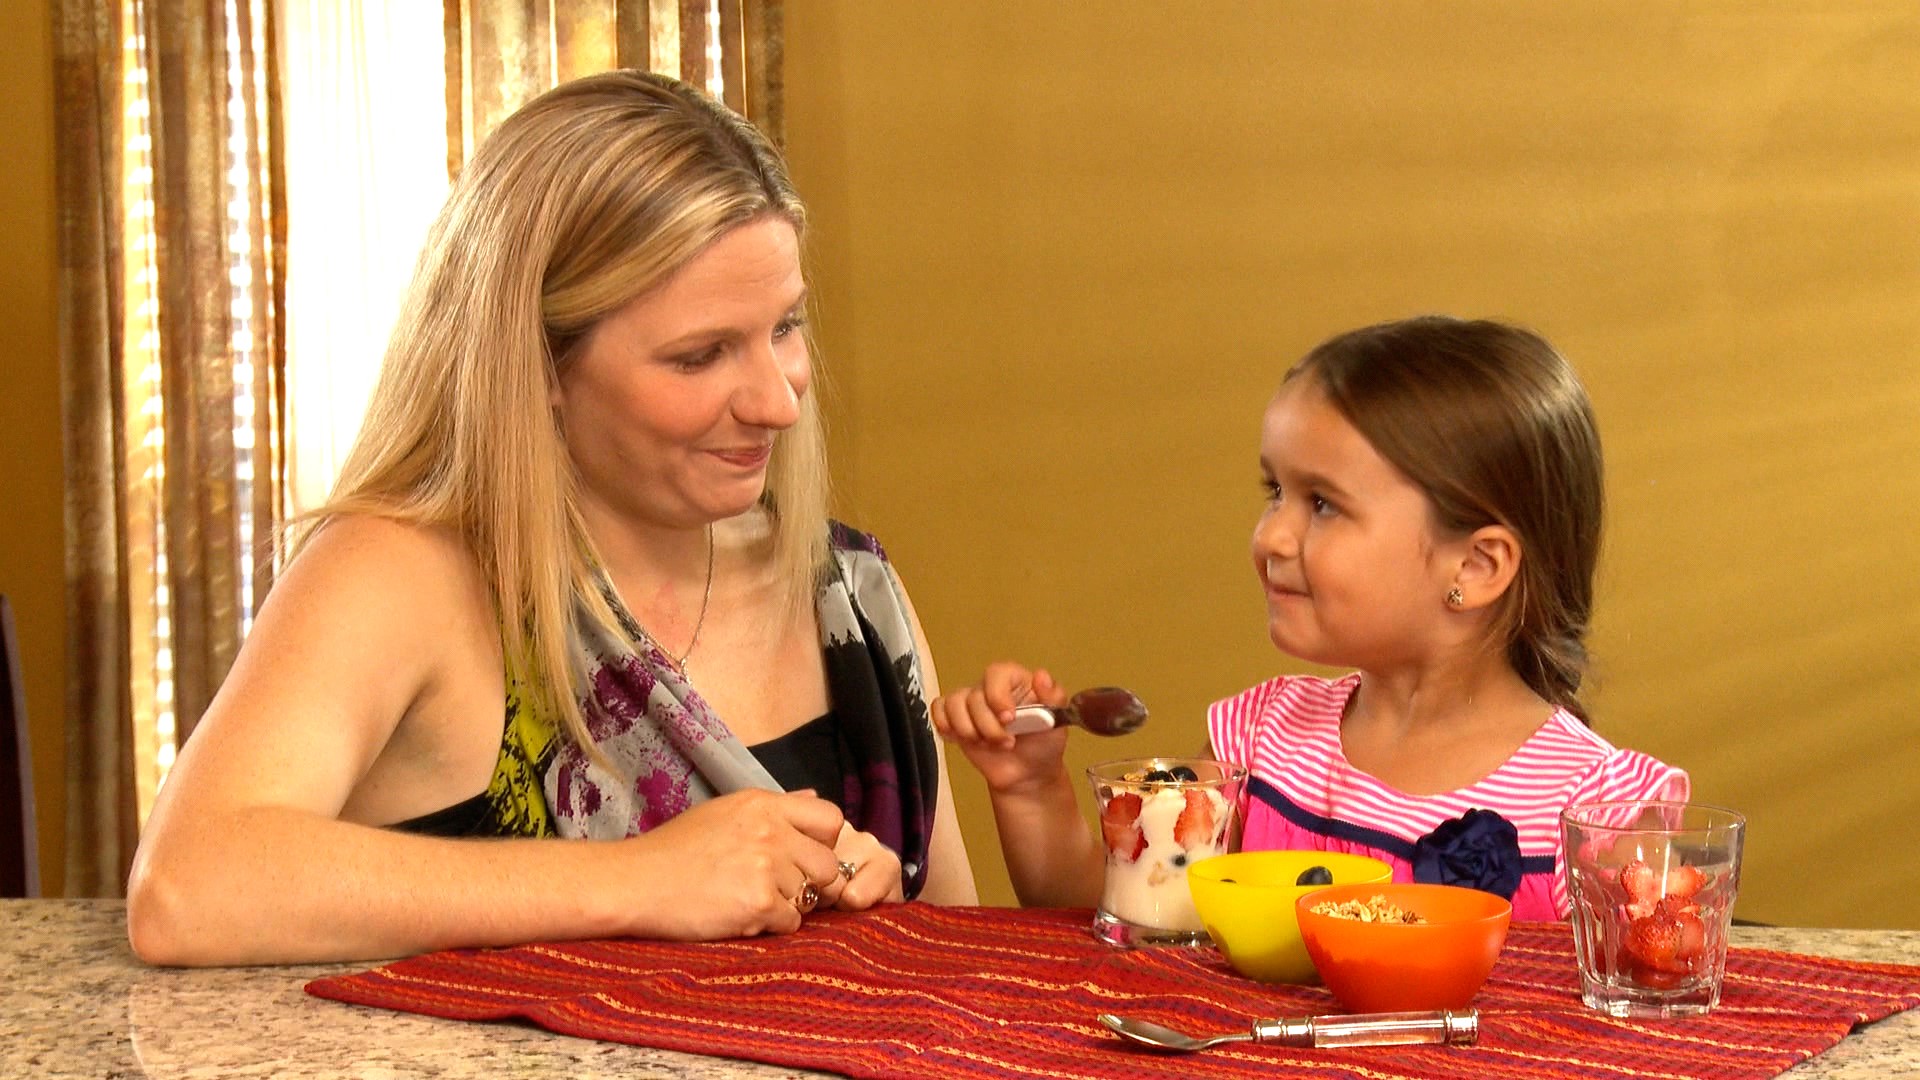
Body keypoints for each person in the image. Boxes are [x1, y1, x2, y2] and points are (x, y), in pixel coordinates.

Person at [127, 70, 977, 966]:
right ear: (535, 365)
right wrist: (645, 881)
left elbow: (959, 957)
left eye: (785, 327)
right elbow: (187, 888)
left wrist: (871, 916)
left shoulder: (856, 597)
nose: (778, 401)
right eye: (700, 356)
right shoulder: (403, 574)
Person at [934, 316, 1687, 921]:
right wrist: (1031, 789)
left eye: (1322, 503)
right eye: (1275, 492)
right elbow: (1120, 912)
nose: (1271, 537)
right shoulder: (1261, 745)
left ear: (1476, 567)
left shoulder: (1596, 816)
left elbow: (1636, 1024)